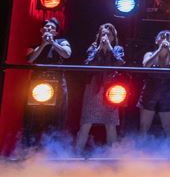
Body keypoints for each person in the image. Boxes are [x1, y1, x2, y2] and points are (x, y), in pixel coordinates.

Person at [76, 23, 125, 152]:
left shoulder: (117, 48)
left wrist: (109, 47)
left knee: (110, 123)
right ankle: (75, 155)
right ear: (98, 36)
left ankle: (113, 157)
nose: (106, 37)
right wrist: (99, 49)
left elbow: (120, 62)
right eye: (103, 34)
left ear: (113, 37)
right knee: (86, 122)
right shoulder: (93, 47)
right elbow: (88, 63)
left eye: (109, 35)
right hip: (93, 87)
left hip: (110, 89)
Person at [24, 18, 72, 146]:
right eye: (46, 27)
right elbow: (29, 59)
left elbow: (67, 54)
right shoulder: (34, 45)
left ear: (56, 32)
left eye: (52, 28)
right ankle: (30, 149)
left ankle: (52, 150)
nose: (49, 29)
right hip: (37, 85)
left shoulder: (62, 42)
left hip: (57, 83)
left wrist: (53, 43)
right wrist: (43, 45)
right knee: (34, 117)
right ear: (41, 30)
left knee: (55, 118)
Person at [137, 30, 170, 136]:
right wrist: (159, 50)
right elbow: (146, 65)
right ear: (157, 41)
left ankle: (169, 149)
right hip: (150, 91)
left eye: (168, 38)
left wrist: (168, 51)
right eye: (162, 37)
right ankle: (139, 149)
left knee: (168, 127)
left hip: (167, 92)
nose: (164, 39)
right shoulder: (149, 54)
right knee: (144, 126)